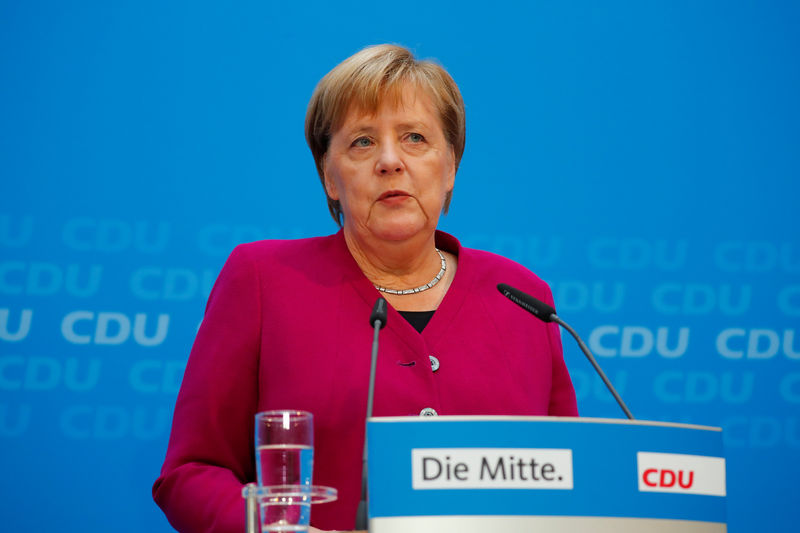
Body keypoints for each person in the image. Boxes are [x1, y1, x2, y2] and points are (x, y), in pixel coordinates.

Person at [153, 44, 578, 533]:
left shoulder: (521, 296)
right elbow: (191, 473)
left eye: (415, 137)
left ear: (451, 168)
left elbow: (569, 482)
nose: (390, 161)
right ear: (329, 177)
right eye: (361, 142)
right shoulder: (263, 280)